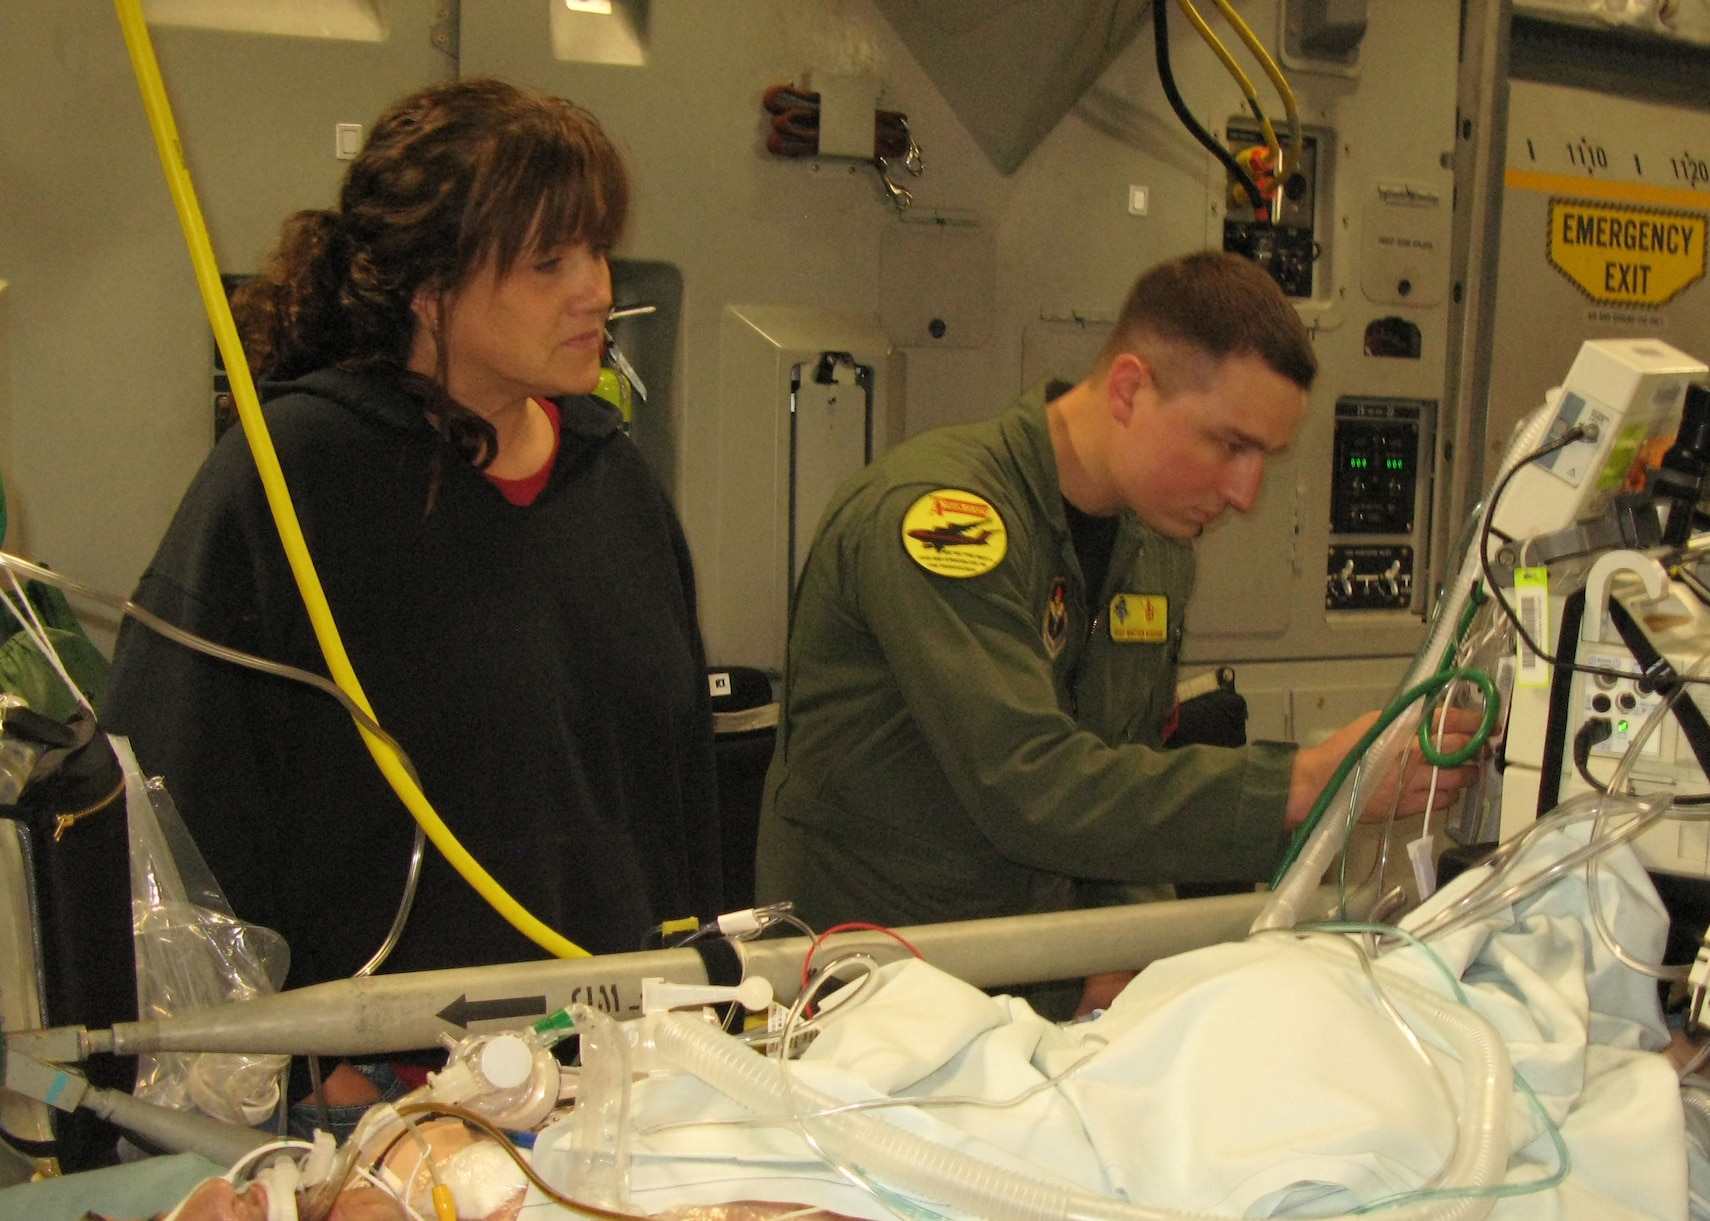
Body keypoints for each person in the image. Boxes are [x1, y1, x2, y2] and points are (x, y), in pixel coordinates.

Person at [102, 79, 724, 1109]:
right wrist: (310, 1067)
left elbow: (673, 805)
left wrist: (690, 1010)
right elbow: (175, 823)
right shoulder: (294, 477)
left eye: (598, 252)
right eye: (548, 262)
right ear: (428, 288)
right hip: (382, 1101)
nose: (597, 292)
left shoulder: (613, 485)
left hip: (610, 1079)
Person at [756, 251, 1479, 973]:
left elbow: (1126, 778)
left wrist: (1135, 956)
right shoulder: (943, 521)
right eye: (1231, 445)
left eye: (1265, 457)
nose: (1246, 493)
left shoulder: (1156, 547)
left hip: (1038, 975)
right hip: (880, 983)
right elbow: (1031, 787)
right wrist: (1304, 783)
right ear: (1130, 390)